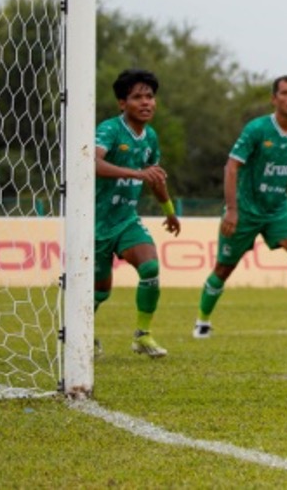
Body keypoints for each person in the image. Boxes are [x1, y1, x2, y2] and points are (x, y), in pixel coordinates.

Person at [193, 76, 287, 340]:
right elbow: (231, 167)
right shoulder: (257, 129)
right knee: (223, 268)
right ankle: (202, 323)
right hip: (245, 210)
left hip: (277, 209)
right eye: (285, 93)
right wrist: (232, 209)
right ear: (273, 99)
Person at [94, 69, 180, 358]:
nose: (146, 103)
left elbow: (154, 177)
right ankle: (80, 333)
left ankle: (143, 336)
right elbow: (91, 163)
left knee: (150, 268)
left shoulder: (150, 136)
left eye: (150, 97)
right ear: (122, 103)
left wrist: (169, 212)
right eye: (137, 97)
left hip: (126, 220)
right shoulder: (110, 130)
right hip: (93, 222)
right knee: (99, 291)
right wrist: (137, 173)